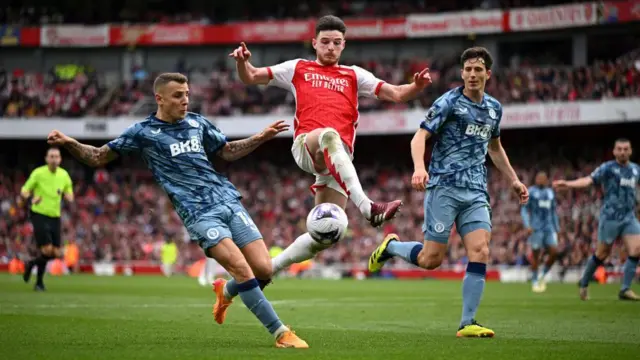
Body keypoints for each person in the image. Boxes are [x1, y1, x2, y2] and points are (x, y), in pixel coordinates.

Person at [46, 72, 309, 348]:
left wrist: (260, 137)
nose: (185, 101)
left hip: (228, 199)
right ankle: (281, 333)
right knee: (242, 269)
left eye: (187, 95)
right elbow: (99, 156)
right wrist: (69, 142)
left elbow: (227, 151)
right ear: (159, 98)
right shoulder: (143, 132)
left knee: (264, 270)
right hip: (199, 212)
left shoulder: (197, 122)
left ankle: (225, 291)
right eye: (178, 96)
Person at [213, 15, 432, 322]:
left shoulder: (355, 75)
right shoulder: (297, 68)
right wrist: (242, 62)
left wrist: (416, 86)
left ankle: (232, 288)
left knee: (326, 235)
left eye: (337, 42)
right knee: (329, 134)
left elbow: (396, 94)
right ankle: (369, 208)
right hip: (308, 145)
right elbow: (250, 76)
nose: (331, 47)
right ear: (314, 43)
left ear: (344, 45)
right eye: (325, 42)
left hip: (337, 161)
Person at [368, 47, 529, 338]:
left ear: (487, 74)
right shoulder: (449, 102)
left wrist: (514, 180)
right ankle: (391, 247)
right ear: (462, 73)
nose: (472, 74)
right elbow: (420, 136)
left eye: (478, 69)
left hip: (476, 191)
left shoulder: (494, 108)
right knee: (432, 260)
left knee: (480, 250)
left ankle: (467, 323)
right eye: (467, 69)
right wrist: (419, 167)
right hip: (444, 187)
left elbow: (495, 147)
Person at [553, 138, 639, 301]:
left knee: (637, 249)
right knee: (602, 254)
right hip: (610, 217)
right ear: (614, 151)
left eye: (625, 149)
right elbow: (588, 180)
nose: (622, 152)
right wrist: (568, 184)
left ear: (630, 151)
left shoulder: (636, 170)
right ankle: (584, 282)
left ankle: (625, 289)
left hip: (629, 217)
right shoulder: (608, 168)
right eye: (619, 149)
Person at [20, 147, 74, 291]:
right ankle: (39, 283)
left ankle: (31, 264)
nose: (54, 159)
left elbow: (70, 193)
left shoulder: (64, 175)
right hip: (39, 214)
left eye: (57, 156)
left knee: (57, 253)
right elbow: (24, 191)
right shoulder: (38, 173)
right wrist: (31, 197)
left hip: (55, 216)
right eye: (51, 156)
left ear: (60, 159)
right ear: (46, 159)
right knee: (47, 249)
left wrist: (68, 196)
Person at [520, 171, 560, 293]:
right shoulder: (531, 192)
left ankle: (543, 274)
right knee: (536, 255)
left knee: (554, 252)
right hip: (536, 228)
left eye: (543, 178)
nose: (541, 180)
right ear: (535, 179)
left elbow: (553, 211)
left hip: (549, 228)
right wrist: (527, 225)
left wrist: (556, 227)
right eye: (539, 178)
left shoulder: (550, 193)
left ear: (547, 180)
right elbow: (524, 209)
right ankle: (535, 280)